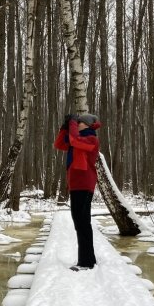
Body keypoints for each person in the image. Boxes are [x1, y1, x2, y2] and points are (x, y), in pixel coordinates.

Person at [53, 112, 101, 270]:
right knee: (80, 223)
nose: (77, 124)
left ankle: (86, 262)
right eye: (77, 123)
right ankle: (89, 259)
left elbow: (74, 140)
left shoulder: (91, 139)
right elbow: (59, 144)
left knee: (82, 223)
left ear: (86, 125)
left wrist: (72, 123)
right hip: (75, 185)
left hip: (85, 184)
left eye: (80, 123)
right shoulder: (77, 139)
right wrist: (64, 127)